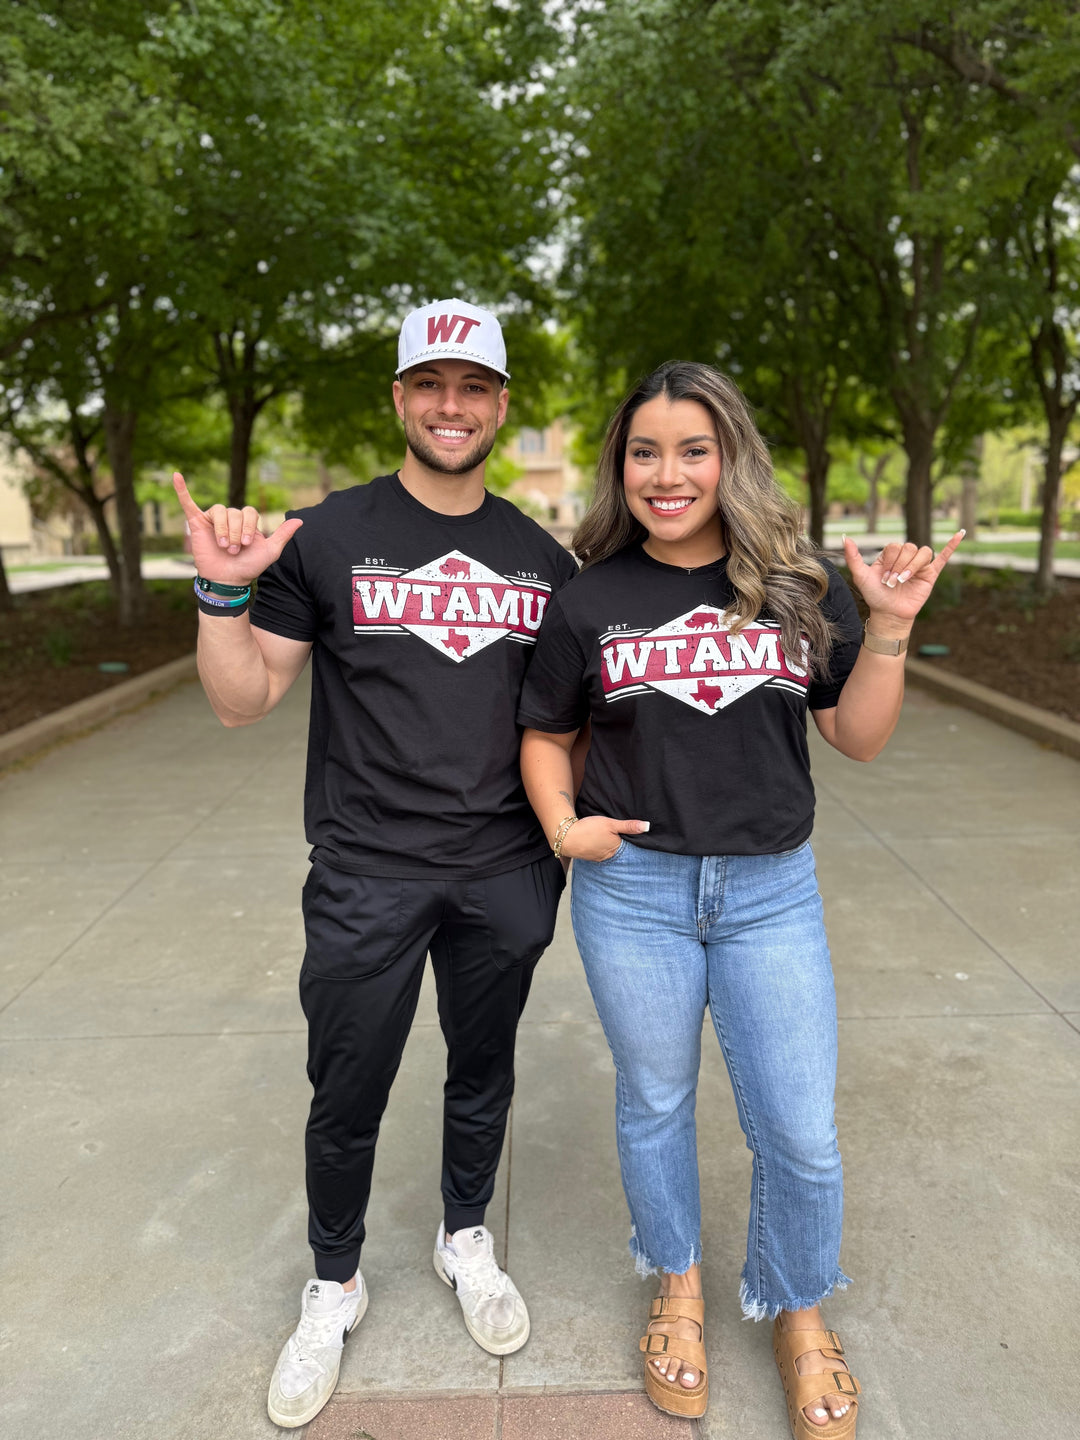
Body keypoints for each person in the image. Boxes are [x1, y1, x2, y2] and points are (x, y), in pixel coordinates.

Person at [517, 361, 962, 1434]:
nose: (666, 474)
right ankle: (677, 1282)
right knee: (655, 1102)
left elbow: (857, 736)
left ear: (731, 460)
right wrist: (564, 827)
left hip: (771, 895)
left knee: (801, 1129)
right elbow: (546, 734)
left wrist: (889, 629)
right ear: (620, 466)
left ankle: (796, 1305)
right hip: (634, 894)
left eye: (693, 450)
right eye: (644, 452)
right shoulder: (590, 600)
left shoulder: (797, 586)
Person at [172, 298, 578, 1430]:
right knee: (347, 1087)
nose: (452, 405)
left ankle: (464, 1239)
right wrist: (222, 591)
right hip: (367, 870)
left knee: (483, 1070)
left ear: (501, 405)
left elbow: (571, 721)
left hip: (504, 867)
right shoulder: (327, 536)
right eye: (431, 383)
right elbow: (244, 699)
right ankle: (335, 1282)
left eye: (474, 386)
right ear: (399, 398)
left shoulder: (544, 561)